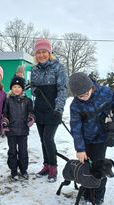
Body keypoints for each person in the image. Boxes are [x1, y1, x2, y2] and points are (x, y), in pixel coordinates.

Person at [69, 72, 114, 205]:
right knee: (86, 167)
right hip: (86, 139)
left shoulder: (107, 93)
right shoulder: (75, 105)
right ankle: (87, 193)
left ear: (91, 86)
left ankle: (98, 197)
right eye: (80, 96)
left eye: (86, 93)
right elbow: (76, 128)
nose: (84, 98)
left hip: (101, 138)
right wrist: (80, 149)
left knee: (99, 168)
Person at [30, 39, 68, 183]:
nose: (41, 55)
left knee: (48, 138)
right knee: (42, 139)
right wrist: (36, 91)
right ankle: (46, 166)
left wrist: (59, 109)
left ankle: (53, 167)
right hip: (40, 109)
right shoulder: (34, 69)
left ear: (49, 53)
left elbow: (62, 90)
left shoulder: (58, 68)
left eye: (44, 52)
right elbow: (32, 87)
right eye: (38, 52)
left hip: (53, 110)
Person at [1, 76, 35, 181]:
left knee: (23, 151)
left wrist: (31, 119)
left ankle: (24, 170)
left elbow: (31, 113)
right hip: (11, 131)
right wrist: (4, 122)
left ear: (23, 88)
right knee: (12, 152)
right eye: (14, 87)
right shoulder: (7, 100)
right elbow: (4, 114)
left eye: (19, 87)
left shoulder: (28, 101)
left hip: (23, 131)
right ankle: (13, 171)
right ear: (11, 88)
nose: (16, 89)